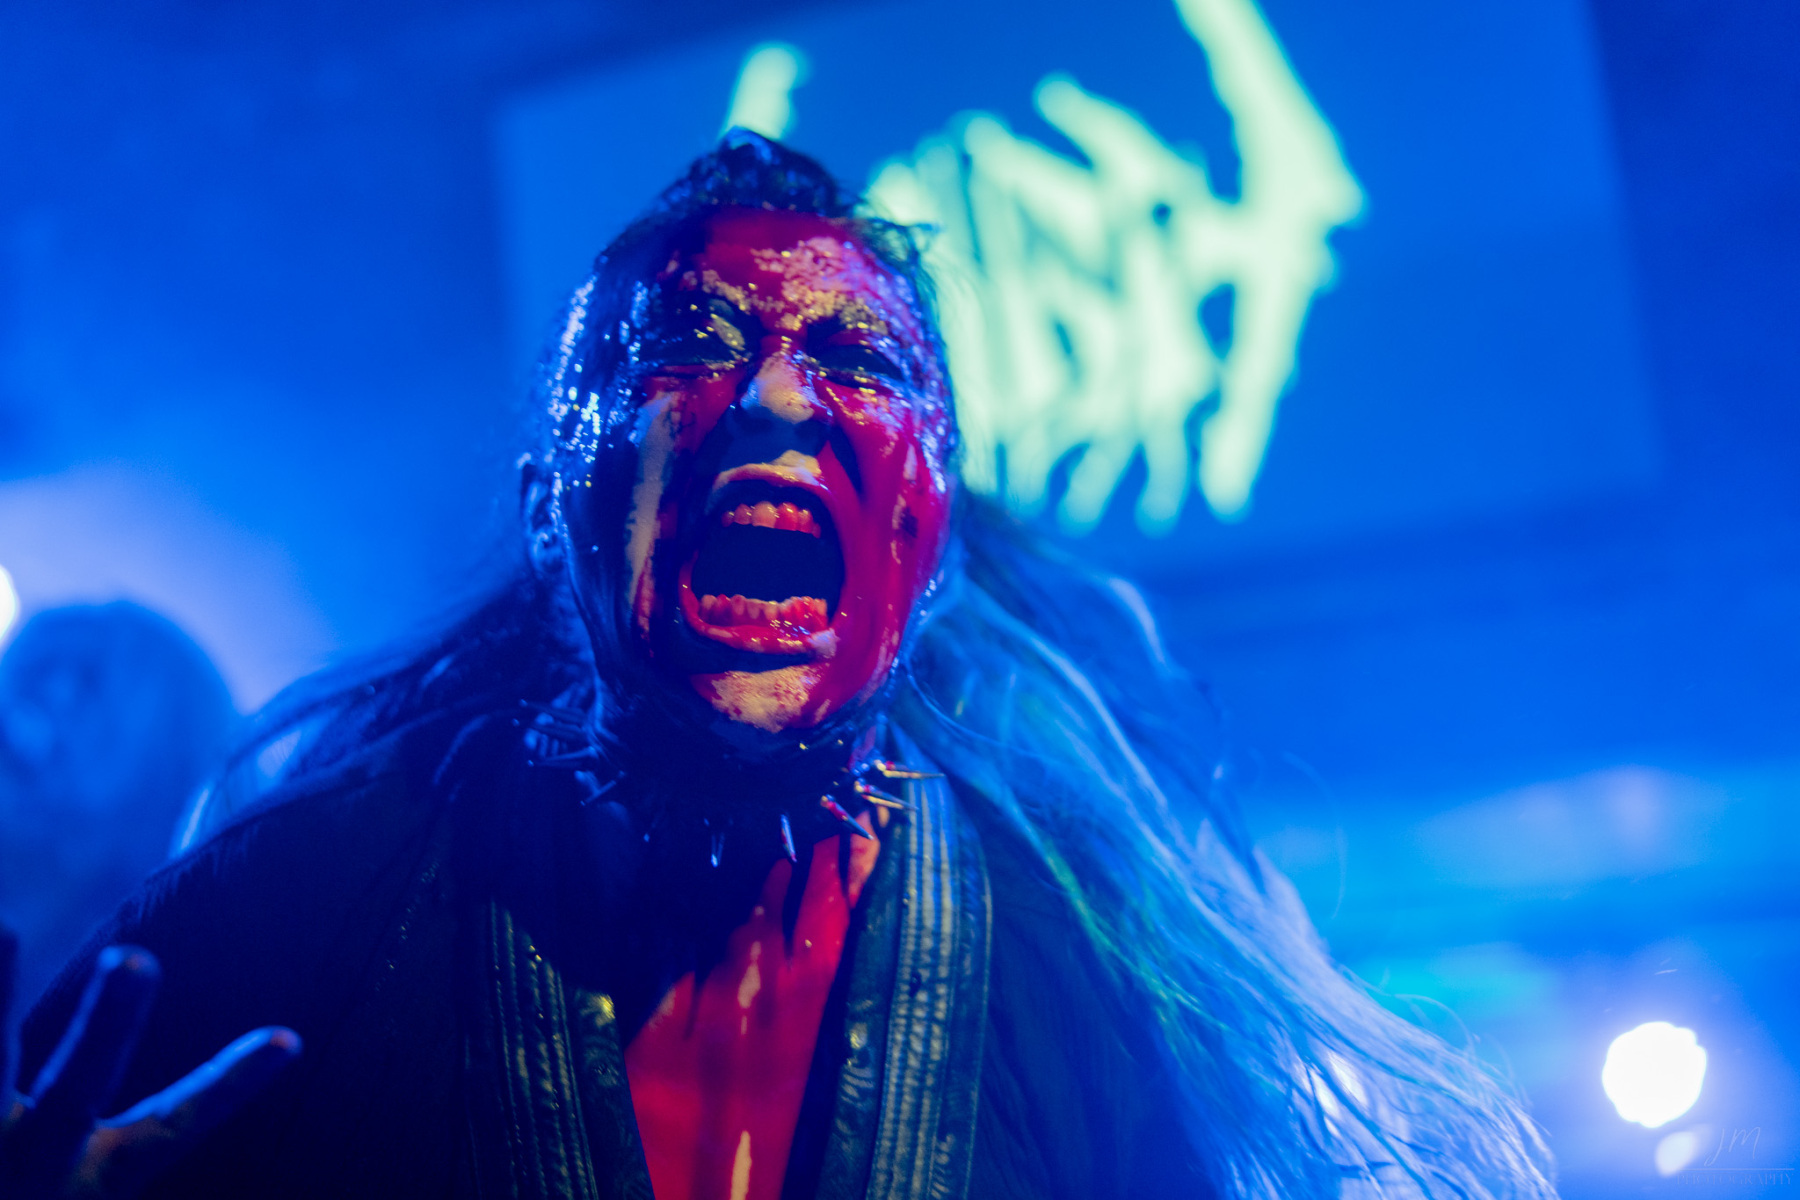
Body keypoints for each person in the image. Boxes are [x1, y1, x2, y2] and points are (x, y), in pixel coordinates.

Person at [2, 133, 1556, 1199]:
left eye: (859, 362)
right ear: (551, 511)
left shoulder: (1073, 970)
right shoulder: (296, 912)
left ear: (930, 541)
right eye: (687, 345)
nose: (778, 400)